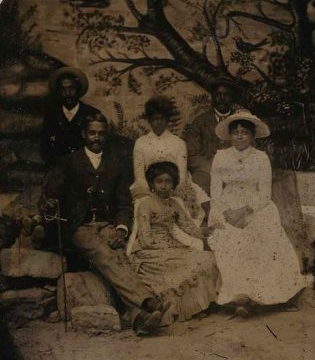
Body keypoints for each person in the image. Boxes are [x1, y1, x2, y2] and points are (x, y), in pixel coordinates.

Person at [41, 112, 168, 335]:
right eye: (92, 133)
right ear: (84, 134)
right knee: (105, 255)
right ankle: (149, 302)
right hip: (80, 227)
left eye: (101, 133)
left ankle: (138, 318)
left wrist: (121, 228)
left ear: (106, 135)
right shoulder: (69, 162)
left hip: (107, 224)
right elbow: (50, 194)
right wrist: (49, 204)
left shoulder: (115, 164)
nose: (96, 138)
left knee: (120, 256)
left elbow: (123, 203)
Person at [207, 110, 311, 317]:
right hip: (225, 205)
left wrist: (244, 211)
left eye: (244, 132)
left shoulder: (261, 158)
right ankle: (239, 296)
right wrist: (228, 212)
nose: (239, 136)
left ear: (252, 136)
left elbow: (264, 193)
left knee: (262, 234)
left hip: (255, 206)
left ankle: (260, 296)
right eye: (235, 132)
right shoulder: (221, 157)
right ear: (229, 135)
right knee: (228, 237)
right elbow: (215, 190)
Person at [127, 161, 220, 324]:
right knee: (179, 267)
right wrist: (162, 248)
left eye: (168, 181)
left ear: (174, 183)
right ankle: (176, 309)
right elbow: (144, 235)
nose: (164, 186)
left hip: (172, 245)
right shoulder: (145, 204)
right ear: (152, 184)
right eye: (159, 181)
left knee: (207, 258)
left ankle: (197, 306)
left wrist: (208, 231)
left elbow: (189, 227)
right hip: (149, 251)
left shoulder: (175, 204)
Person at [131, 95, 209, 223]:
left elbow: (182, 175)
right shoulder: (141, 143)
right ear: (149, 120)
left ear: (168, 120)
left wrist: (171, 191)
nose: (159, 122)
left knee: (185, 211)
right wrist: (152, 192)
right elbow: (139, 174)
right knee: (143, 209)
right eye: (155, 119)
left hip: (176, 186)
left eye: (163, 119)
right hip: (148, 187)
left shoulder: (178, 143)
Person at [182, 79, 242, 194]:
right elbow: (192, 154)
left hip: (235, 170)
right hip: (206, 171)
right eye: (218, 94)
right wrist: (211, 168)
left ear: (232, 98)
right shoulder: (200, 121)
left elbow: (249, 149)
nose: (222, 98)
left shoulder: (240, 120)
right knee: (196, 190)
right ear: (212, 97)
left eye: (227, 95)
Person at [40, 66, 102, 169]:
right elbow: (45, 148)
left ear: (78, 89)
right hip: (59, 171)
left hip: (85, 170)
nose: (67, 93)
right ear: (58, 92)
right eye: (63, 89)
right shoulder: (51, 115)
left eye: (71, 88)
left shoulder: (91, 113)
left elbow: (98, 146)